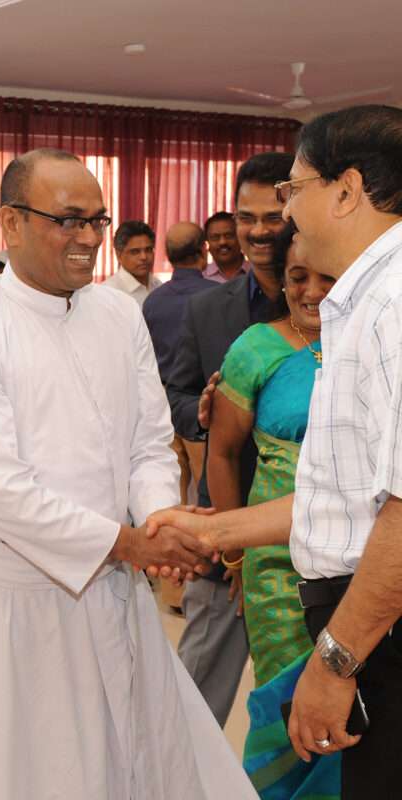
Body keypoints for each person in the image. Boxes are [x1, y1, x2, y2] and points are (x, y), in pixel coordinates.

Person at [0, 147, 258, 800]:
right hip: (13, 610)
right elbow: (1, 494)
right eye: (68, 220)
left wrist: (159, 517)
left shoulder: (118, 313)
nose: (88, 238)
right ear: (11, 222)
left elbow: (148, 441)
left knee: (133, 760)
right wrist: (132, 545)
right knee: (31, 775)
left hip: (112, 588)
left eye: (97, 220)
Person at [148, 104, 402, 800]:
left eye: (295, 189)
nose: (287, 213)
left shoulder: (391, 307)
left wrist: (336, 662)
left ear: (346, 191)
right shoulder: (364, 303)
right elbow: (347, 497)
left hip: (375, 624)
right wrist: (212, 530)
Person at [206, 225, 339, 798]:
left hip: (358, 558)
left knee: (359, 703)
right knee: (291, 704)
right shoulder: (255, 348)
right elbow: (222, 453)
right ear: (280, 281)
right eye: (297, 277)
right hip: (276, 564)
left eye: (327, 277)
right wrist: (234, 554)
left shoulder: (374, 341)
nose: (311, 291)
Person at [165, 151, 293, 726]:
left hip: (303, 545)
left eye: (273, 216)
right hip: (223, 530)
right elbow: (175, 392)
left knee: (295, 705)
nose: (259, 231)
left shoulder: (332, 302)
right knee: (192, 703)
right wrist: (202, 412)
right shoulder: (206, 309)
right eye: (247, 218)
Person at [143, 221, 217, 503]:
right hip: (201, 406)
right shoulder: (217, 297)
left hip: (162, 406)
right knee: (207, 493)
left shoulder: (153, 301)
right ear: (203, 251)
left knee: (172, 494)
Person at [103, 219, 161, 307]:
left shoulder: (158, 285)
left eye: (148, 250)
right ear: (119, 255)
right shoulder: (108, 293)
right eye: (135, 252)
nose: (144, 257)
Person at [203, 211, 248, 282]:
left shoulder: (258, 274)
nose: (223, 242)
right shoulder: (202, 277)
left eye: (229, 236)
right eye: (215, 237)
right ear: (207, 242)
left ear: (240, 238)